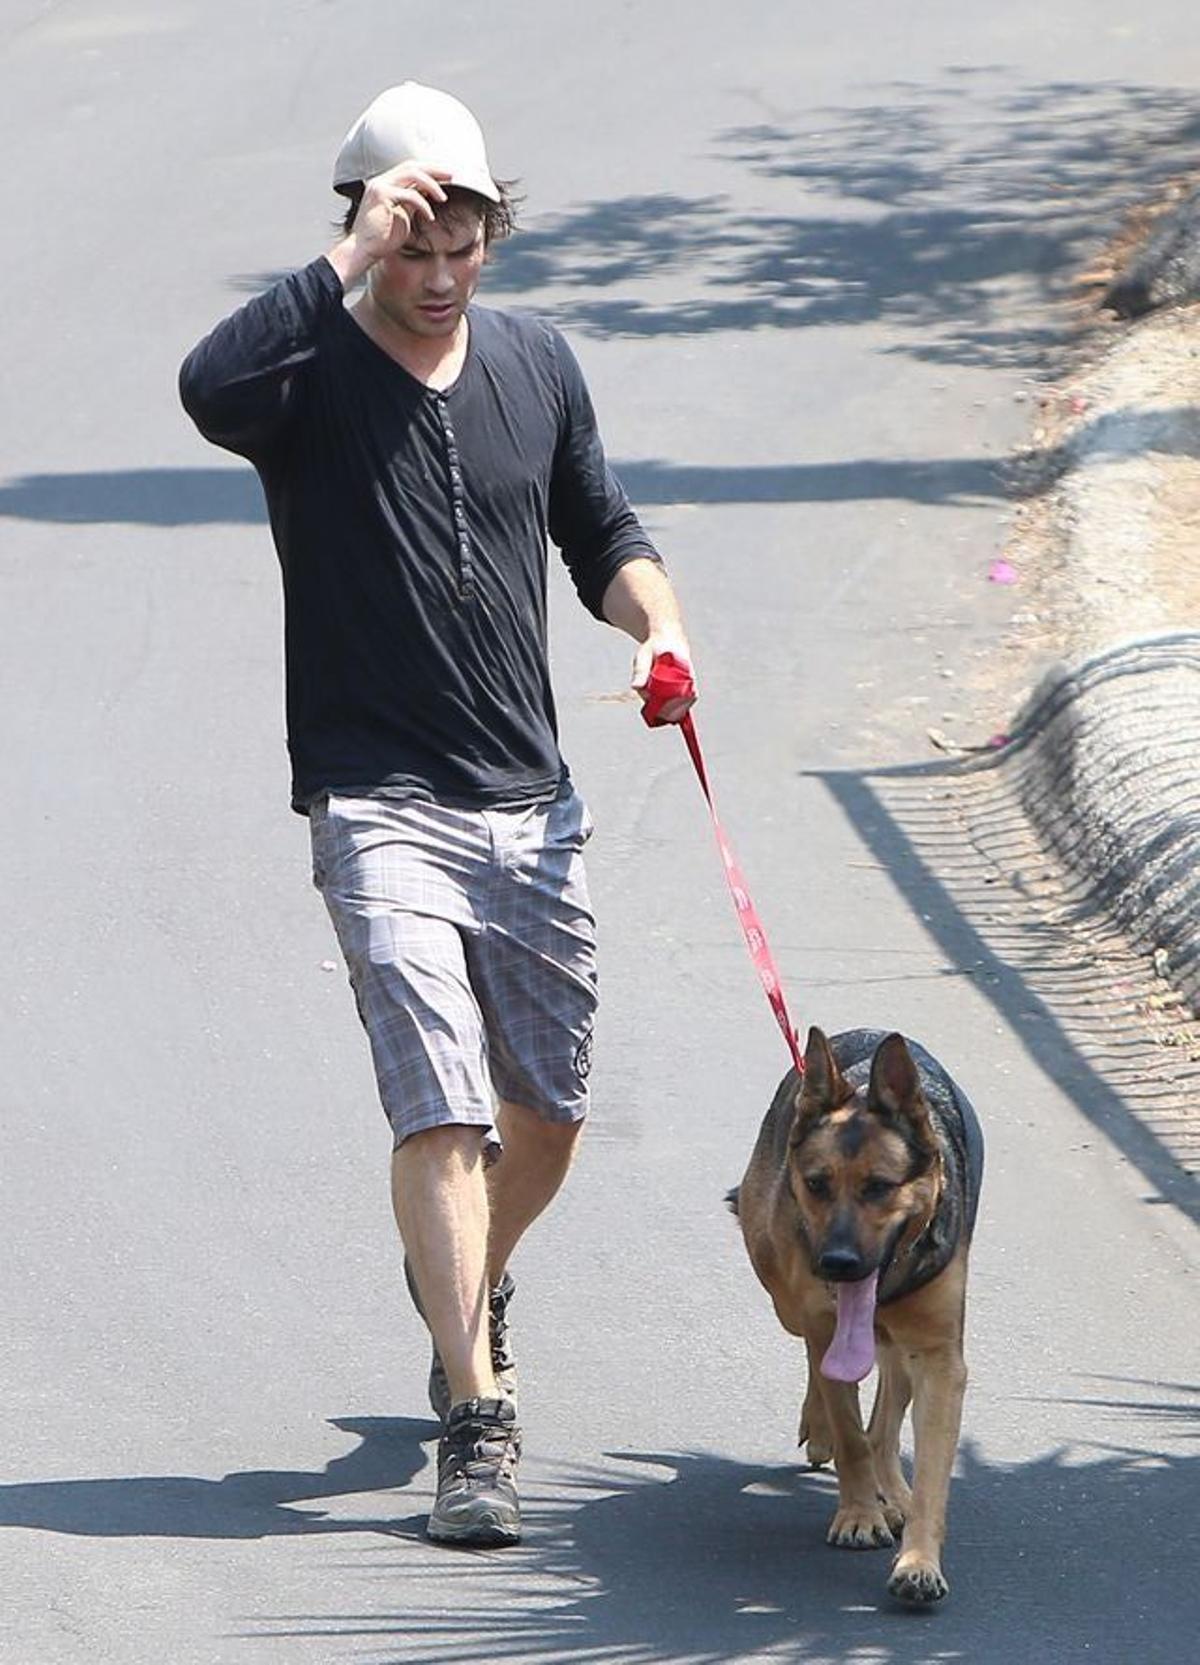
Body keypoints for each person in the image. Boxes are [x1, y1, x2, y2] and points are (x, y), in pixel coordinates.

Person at [179, 80, 694, 1548]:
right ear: (365, 229)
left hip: (528, 801)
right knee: (443, 1097)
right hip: (375, 799)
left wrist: (658, 630)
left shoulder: (538, 365)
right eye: (412, 233)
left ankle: (458, 1272)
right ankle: (478, 1410)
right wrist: (343, 266)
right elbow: (203, 388)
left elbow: (605, 536)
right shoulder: (303, 378)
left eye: (463, 230)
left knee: (549, 1114)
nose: (442, 263)